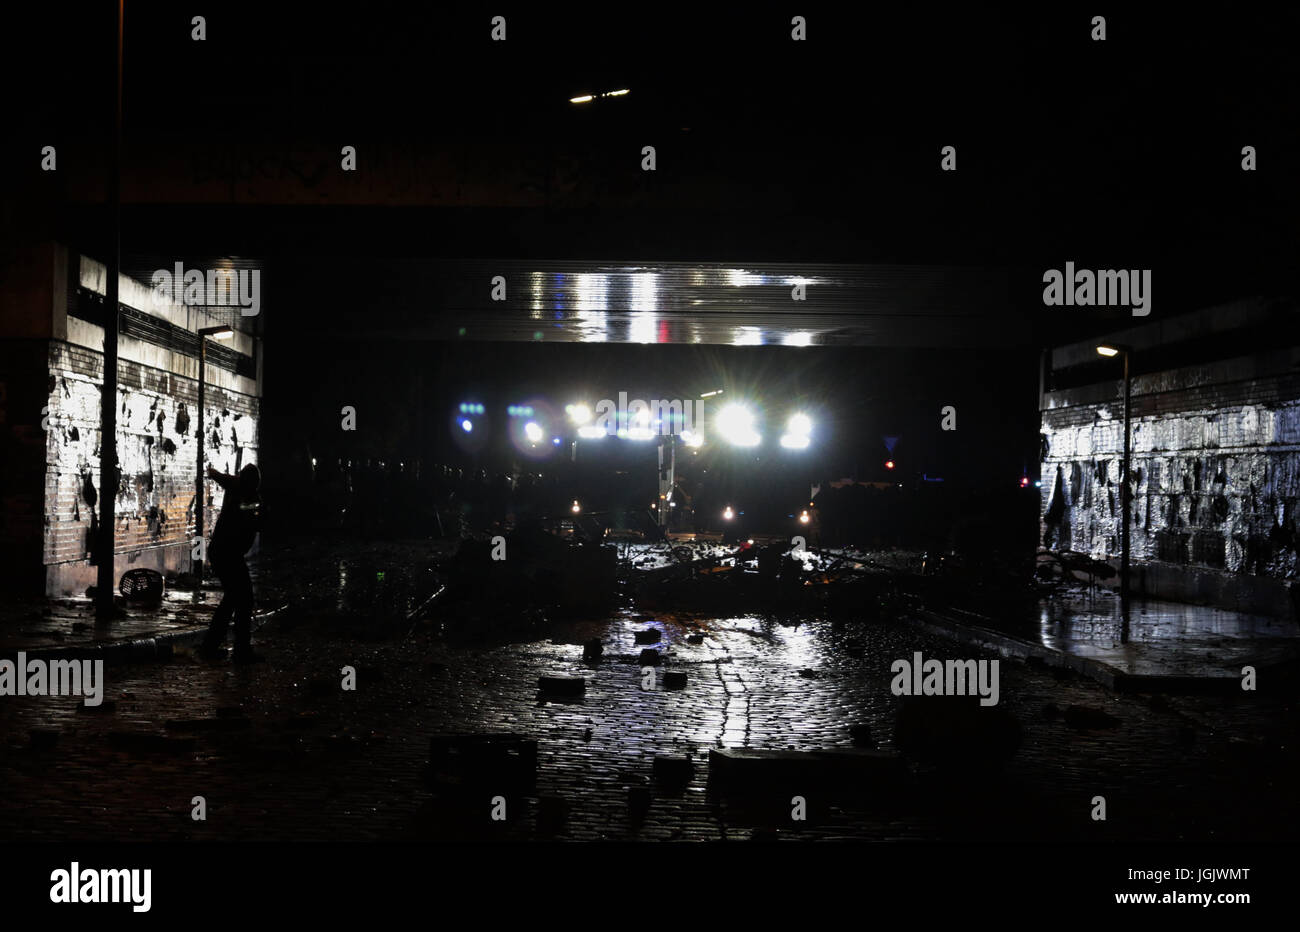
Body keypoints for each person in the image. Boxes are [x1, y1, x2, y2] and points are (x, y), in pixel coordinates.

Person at [198, 463, 264, 663]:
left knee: (233, 600)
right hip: (228, 554)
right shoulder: (248, 497)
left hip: (224, 553)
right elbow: (252, 516)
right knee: (242, 599)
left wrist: (213, 472)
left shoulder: (237, 486)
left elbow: (223, 477)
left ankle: (214, 647)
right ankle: (238, 649)